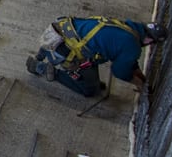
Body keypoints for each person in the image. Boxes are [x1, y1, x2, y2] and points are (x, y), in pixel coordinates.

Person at [28, 15, 162, 98]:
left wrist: (140, 75)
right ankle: (43, 68)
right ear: (150, 41)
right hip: (65, 50)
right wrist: (139, 83)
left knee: (97, 80)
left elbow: (126, 59)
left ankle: (41, 55)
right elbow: (119, 71)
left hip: (61, 30)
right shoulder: (133, 47)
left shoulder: (128, 27)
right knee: (90, 91)